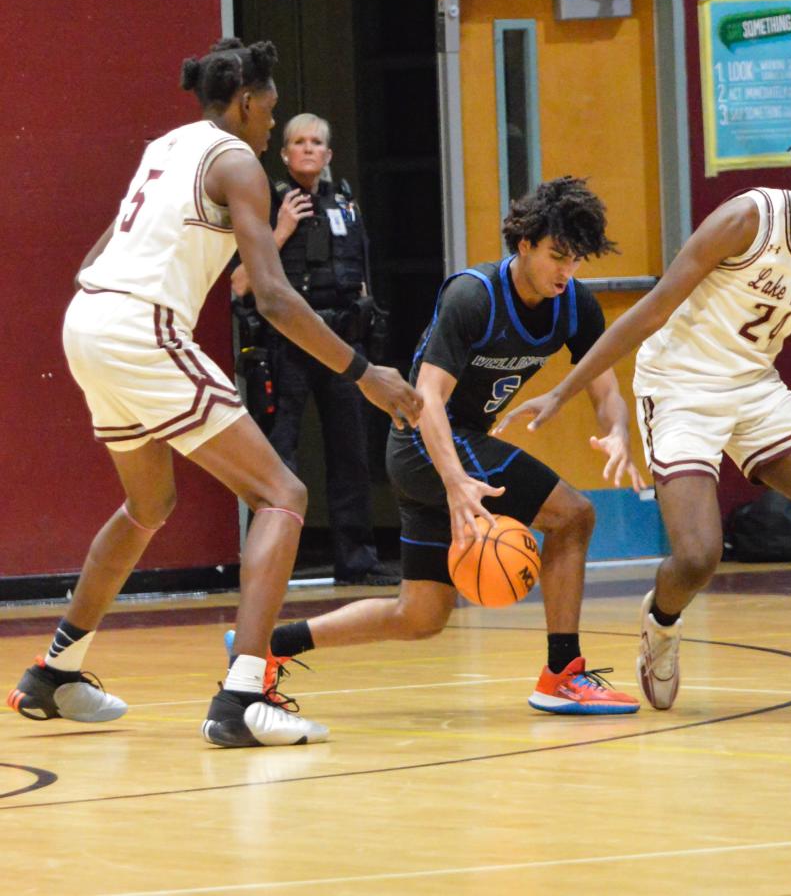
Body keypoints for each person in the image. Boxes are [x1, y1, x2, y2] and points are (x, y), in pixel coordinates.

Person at [5, 38, 421, 748]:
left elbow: (93, 257)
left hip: (89, 318)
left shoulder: (167, 146)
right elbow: (278, 301)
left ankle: (54, 672)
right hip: (141, 326)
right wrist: (366, 373)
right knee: (283, 494)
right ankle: (242, 697)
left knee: (149, 504)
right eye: (271, 111)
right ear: (248, 100)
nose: (272, 125)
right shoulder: (238, 165)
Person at [496, 116, 791, 709]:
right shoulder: (747, 219)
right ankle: (662, 621)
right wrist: (563, 390)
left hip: (754, 387)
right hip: (677, 385)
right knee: (699, 555)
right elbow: (652, 310)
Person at [232, 177, 644, 714]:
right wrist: (454, 483)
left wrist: (617, 430)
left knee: (420, 615)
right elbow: (427, 395)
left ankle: (261, 649)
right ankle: (563, 675)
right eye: (557, 256)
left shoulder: (575, 307)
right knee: (574, 515)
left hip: (439, 453)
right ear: (524, 245)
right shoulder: (473, 295)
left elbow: (605, 388)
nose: (566, 272)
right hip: (429, 441)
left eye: (576, 261)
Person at [231, 114, 397, 587]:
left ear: (328, 155)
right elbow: (239, 284)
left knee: (351, 454)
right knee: (279, 456)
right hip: (286, 348)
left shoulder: (347, 206)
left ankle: (358, 561)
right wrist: (280, 230)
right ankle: (272, 567)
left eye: (316, 143)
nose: (307, 149)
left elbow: (361, 275)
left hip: (341, 345)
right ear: (283, 155)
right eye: (297, 142)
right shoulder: (265, 205)